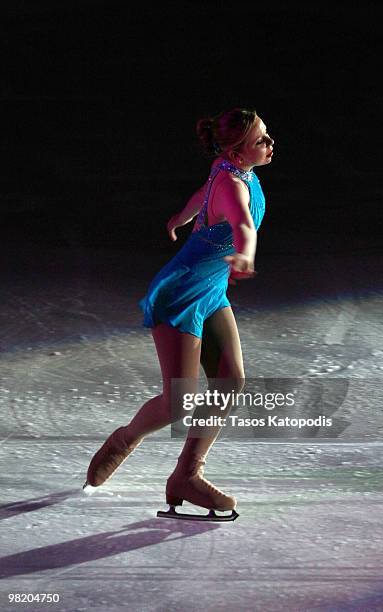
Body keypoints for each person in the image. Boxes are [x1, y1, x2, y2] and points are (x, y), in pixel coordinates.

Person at [84, 107, 274, 520]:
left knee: (230, 381)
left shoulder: (227, 167)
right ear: (239, 153)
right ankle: (123, 440)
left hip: (209, 291)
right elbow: (243, 224)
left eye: (266, 135)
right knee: (179, 401)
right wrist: (245, 254)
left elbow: (202, 193)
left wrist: (182, 217)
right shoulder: (233, 186)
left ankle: (186, 476)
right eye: (261, 140)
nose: (270, 143)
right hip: (180, 294)